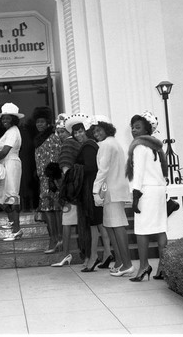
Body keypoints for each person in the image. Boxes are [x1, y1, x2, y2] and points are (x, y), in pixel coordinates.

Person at [65, 113, 112, 272]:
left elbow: (91, 168)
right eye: (75, 132)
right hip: (96, 189)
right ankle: (106, 254)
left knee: (94, 225)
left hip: (91, 190)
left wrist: (74, 170)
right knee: (100, 224)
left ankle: (93, 258)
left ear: (87, 131)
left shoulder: (88, 146)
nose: (78, 134)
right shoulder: (93, 145)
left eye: (80, 131)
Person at [125, 111, 168, 282]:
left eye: (138, 127)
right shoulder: (156, 147)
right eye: (132, 127)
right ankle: (163, 268)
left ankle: (144, 266)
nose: (134, 131)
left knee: (141, 231)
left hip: (146, 192)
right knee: (160, 229)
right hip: (158, 191)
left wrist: (135, 196)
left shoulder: (139, 146)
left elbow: (139, 172)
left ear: (147, 129)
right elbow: (163, 174)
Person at [90, 115, 135, 277]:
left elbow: (103, 170)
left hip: (112, 191)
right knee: (110, 226)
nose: (96, 133)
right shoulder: (113, 143)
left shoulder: (107, 145)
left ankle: (127, 264)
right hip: (115, 190)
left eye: (99, 130)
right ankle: (120, 262)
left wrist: (95, 191)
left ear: (107, 128)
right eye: (94, 131)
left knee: (116, 226)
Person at [0, 102, 24, 241]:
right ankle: (13, 224)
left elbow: (5, 151)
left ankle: (17, 229)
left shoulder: (14, 131)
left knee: (11, 195)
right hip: (3, 164)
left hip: (10, 163)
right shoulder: (9, 131)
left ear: (14, 119)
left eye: (7, 118)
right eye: (3, 118)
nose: (4, 121)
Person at [31, 107, 62, 253]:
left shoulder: (53, 137)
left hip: (52, 181)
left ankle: (58, 240)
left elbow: (56, 159)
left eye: (42, 122)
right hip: (43, 181)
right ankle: (54, 239)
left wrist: (52, 179)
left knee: (54, 209)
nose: (39, 124)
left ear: (48, 123)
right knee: (48, 210)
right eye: (37, 122)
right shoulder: (38, 139)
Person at [51, 113, 79, 267]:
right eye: (58, 131)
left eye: (62, 131)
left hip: (70, 190)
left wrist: (65, 189)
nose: (60, 134)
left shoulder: (68, 144)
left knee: (66, 221)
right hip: (77, 188)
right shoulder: (75, 143)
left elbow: (66, 169)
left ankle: (66, 254)